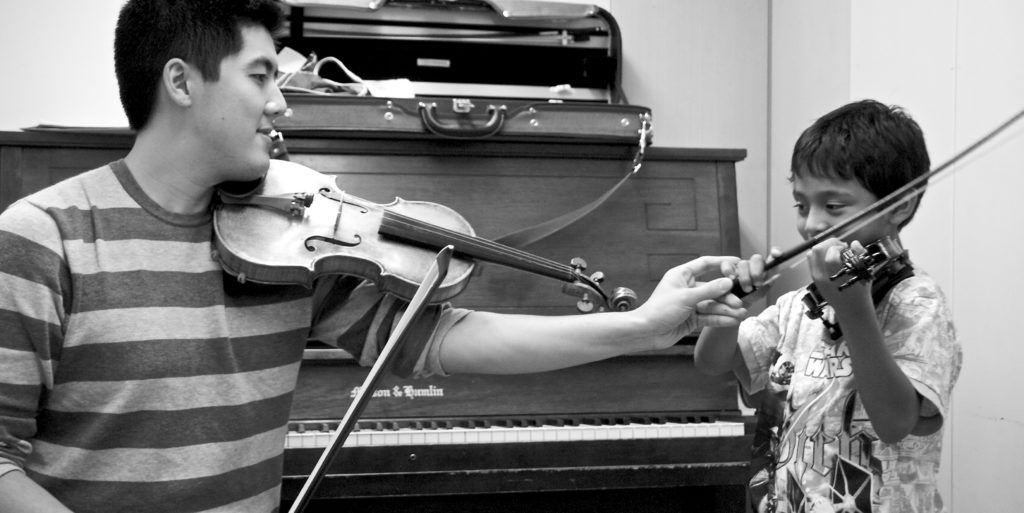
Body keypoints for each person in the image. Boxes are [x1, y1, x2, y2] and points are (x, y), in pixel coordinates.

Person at [0, 1, 746, 511]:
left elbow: (438, 338)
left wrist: (644, 327)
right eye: (261, 77)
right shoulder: (44, 236)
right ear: (180, 82)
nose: (284, 104)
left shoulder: (282, 242)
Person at [695, 99, 962, 513]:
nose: (812, 224)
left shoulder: (916, 303)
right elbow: (713, 362)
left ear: (901, 206)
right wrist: (728, 310)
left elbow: (894, 423)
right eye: (802, 205)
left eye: (833, 206)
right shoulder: (799, 305)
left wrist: (854, 311)